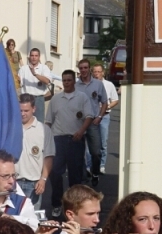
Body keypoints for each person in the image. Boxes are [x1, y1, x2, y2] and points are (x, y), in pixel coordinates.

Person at [45, 69, 94, 218]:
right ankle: (57, 204)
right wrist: (47, 140)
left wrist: (81, 131)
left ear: (74, 81)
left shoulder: (82, 97)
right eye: (64, 80)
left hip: (75, 140)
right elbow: (48, 121)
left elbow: (89, 116)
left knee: (75, 176)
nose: (66, 83)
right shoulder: (55, 99)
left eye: (69, 80)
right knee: (55, 173)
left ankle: (74, 207)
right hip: (58, 139)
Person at [16, 93, 55, 210]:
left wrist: (43, 179)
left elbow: (48, 157)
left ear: (34, 109)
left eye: (26, 111)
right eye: (20, 110)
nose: (22, 114)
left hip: (34, 184)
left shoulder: (44, 130)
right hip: (13, 182)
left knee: (32, 218)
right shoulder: (11, 129)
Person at [75, 58, 107, 187]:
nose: (83, 70)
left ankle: (95, 173)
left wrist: (100, 116)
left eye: (85, 68)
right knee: (78, 153)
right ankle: (83, 177)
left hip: (93, 122)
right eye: (81, 68)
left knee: (96, 152)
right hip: (79, 122)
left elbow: (104, 102)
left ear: (89, 69)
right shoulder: (75, 85)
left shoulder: (98, 84)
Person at [90, 63, 118, 174]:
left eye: (99, 72)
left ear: (103, 73)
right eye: (95, 72)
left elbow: (115, 100)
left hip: (104, 116)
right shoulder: (89, 84)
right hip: (91, 117)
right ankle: (89, 165)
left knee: (103, 142)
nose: (97, 74)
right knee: (90, 143)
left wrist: (107, 106)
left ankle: (101, 165)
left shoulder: (109, 85)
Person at [18, 48, 52, 123]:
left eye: (36, 56)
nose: (34, 58)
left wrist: (35, 74)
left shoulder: (44, 68)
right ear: (29, 57)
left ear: (39, 57)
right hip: (26, 99)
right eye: (32, 55)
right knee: (24, 121)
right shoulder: (23, 69)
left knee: (39, 122)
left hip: (38, 99)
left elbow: (47, 81)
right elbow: (19, 83)